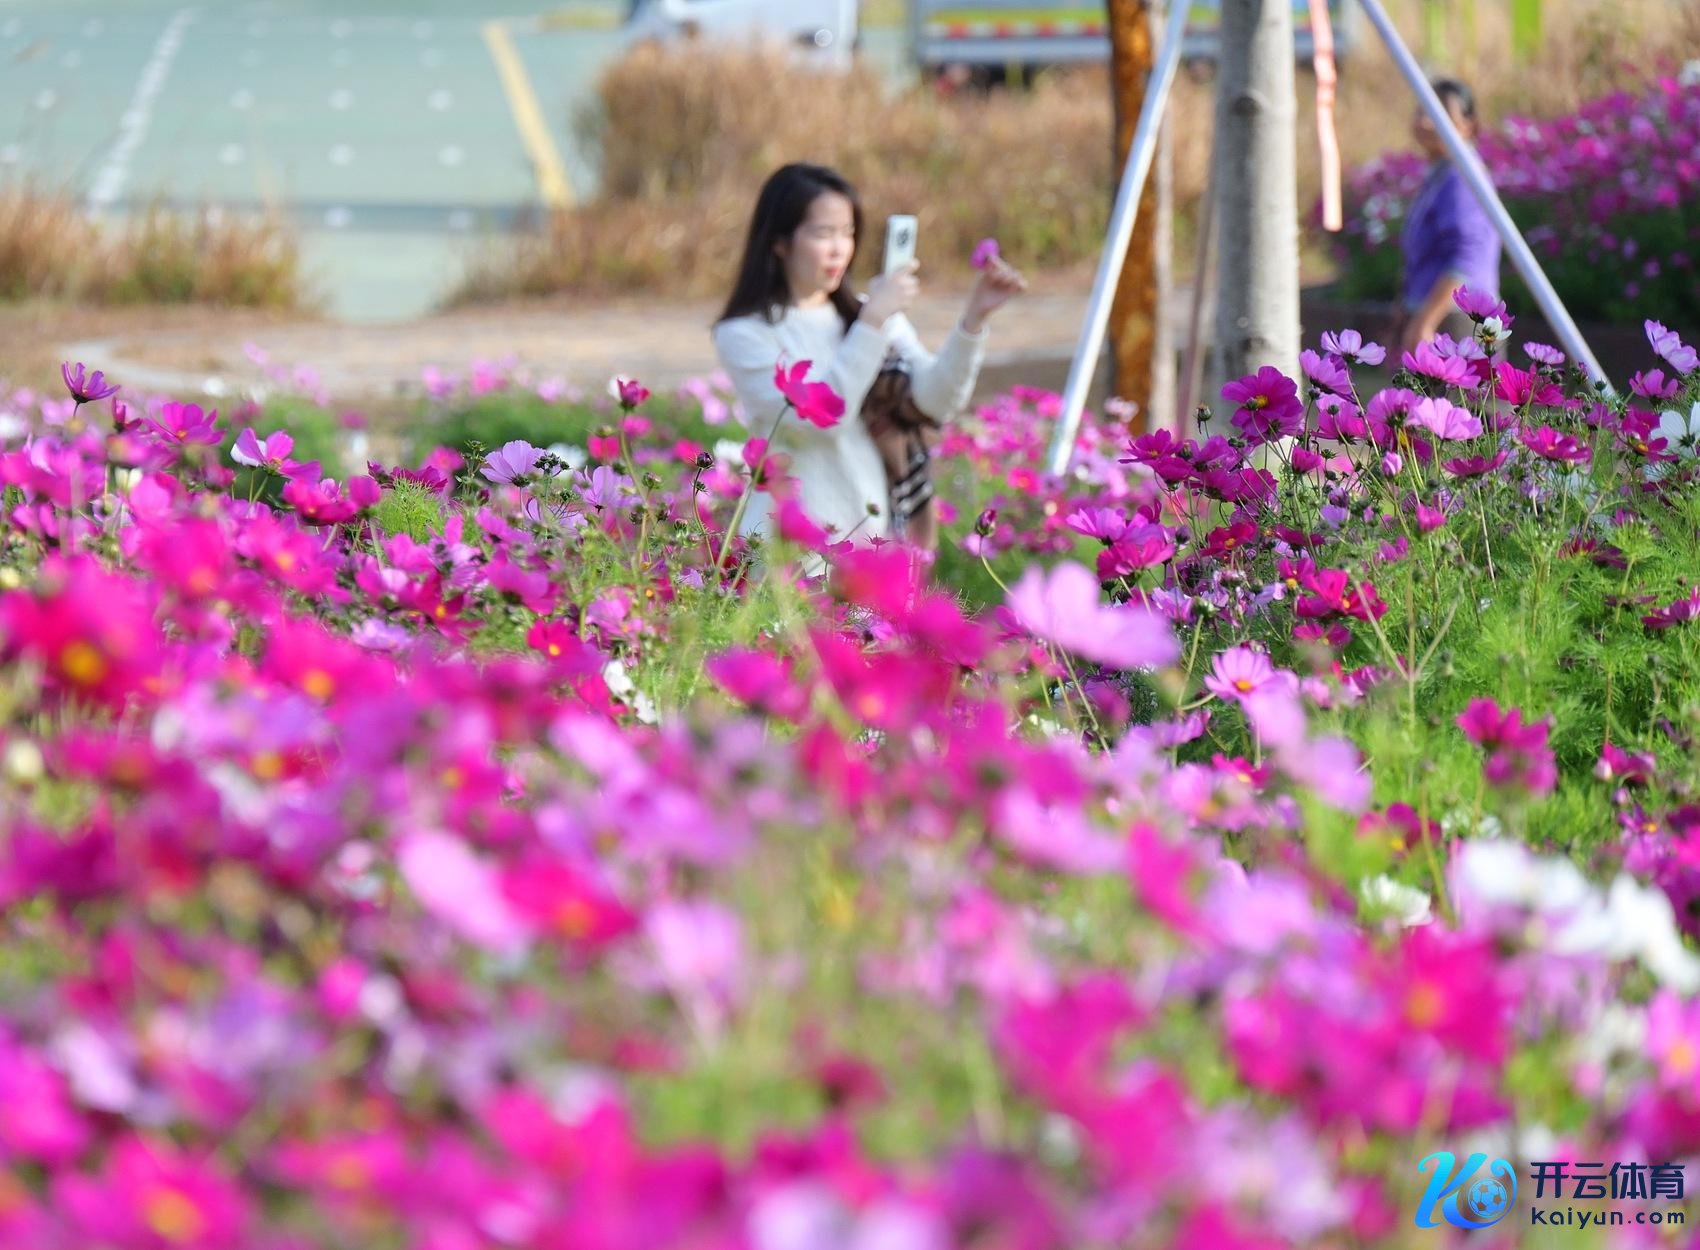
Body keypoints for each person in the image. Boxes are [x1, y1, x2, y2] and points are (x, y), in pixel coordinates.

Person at [711, 163, 1026, 572]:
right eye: (823, 233)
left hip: (868, 536)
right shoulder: (745, 333)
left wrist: (973, 320)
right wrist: (873, 321)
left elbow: (935, 401)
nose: (840, 249)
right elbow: (822, 421)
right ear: (779, 241)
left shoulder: (866, 316)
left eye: (848, 232)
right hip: (785, 550)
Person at [1396, 78, 1501, 353]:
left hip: (1456, 322)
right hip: (1441, 316)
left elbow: (1467, 255)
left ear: (1469, 125)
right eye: (1422, 110)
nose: (1425, 121)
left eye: (1439, 113)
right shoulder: (1443, 172)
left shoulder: (1462, 176)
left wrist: (1425, 321)